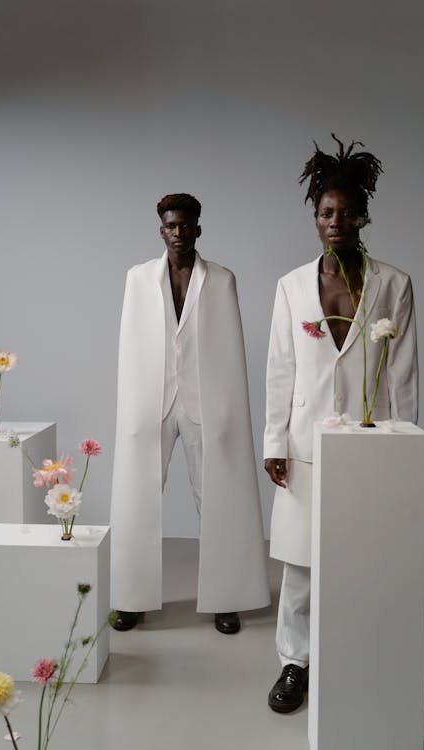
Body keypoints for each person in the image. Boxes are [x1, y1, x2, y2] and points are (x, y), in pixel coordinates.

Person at [264, 135, 418, 712]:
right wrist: (273, 440)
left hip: (368, 445)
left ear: (363, 216)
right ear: (315, 217)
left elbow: (402, 374)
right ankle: (294, 664)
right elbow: (281, 369)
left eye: (348, 212)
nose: (337, 221)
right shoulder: (291, 287)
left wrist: (402, 448)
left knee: (365, 556)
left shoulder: (393, 285)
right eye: (327, 212)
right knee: (300, 563)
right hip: (303, 445)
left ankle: (359, 655)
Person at [110, 193, 270, 634]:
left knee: (219, 499)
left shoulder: (221, 280)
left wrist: (229, 410)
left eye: (185, 225)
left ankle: (227, 597)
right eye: (170, 225)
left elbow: (230, 350)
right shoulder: (139, 278)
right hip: (151, 401)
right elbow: (130, 346)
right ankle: (130, 598)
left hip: (206, 402)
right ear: (161, 230)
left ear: (198, 228)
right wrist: (131, 409)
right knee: (137, 498)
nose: (178, 232)